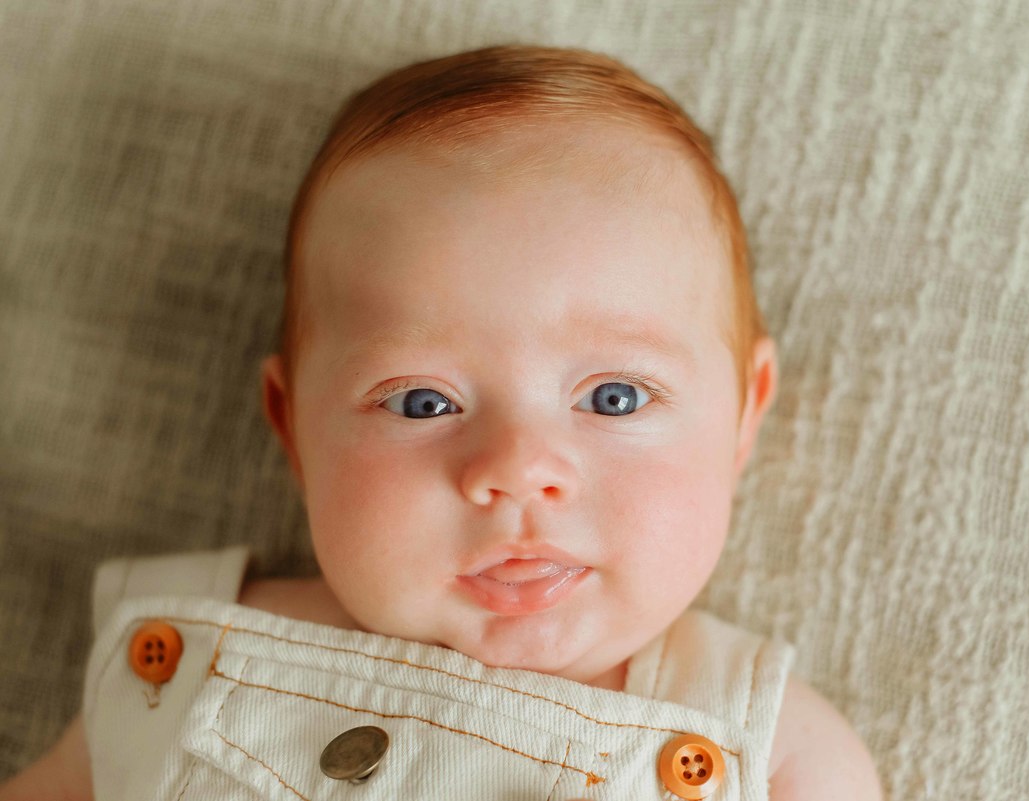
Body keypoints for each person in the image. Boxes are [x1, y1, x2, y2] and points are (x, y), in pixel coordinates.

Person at [0, 45, 883, 801]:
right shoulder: (186, 660)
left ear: (743, 416)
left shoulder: (772, 748)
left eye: (614, 396)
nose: (518, 468)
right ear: (293, 428)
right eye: (424, 402)